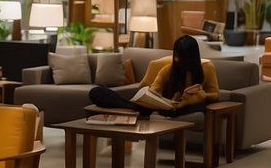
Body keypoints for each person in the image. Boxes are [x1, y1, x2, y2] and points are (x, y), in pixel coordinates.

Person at [88, 35, 220, 118]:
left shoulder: (207, 68)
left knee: (200, 108)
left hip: (188, 108)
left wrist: (202, 96)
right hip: (167, 107)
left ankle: (134, 109)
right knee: (96, 92)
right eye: (176, 55)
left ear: (191, 57)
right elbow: (154, 90)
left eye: (181, 57)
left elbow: (215, 94)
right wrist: (152, 96)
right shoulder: (168, 70)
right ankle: (133, 107)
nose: (177, 59)